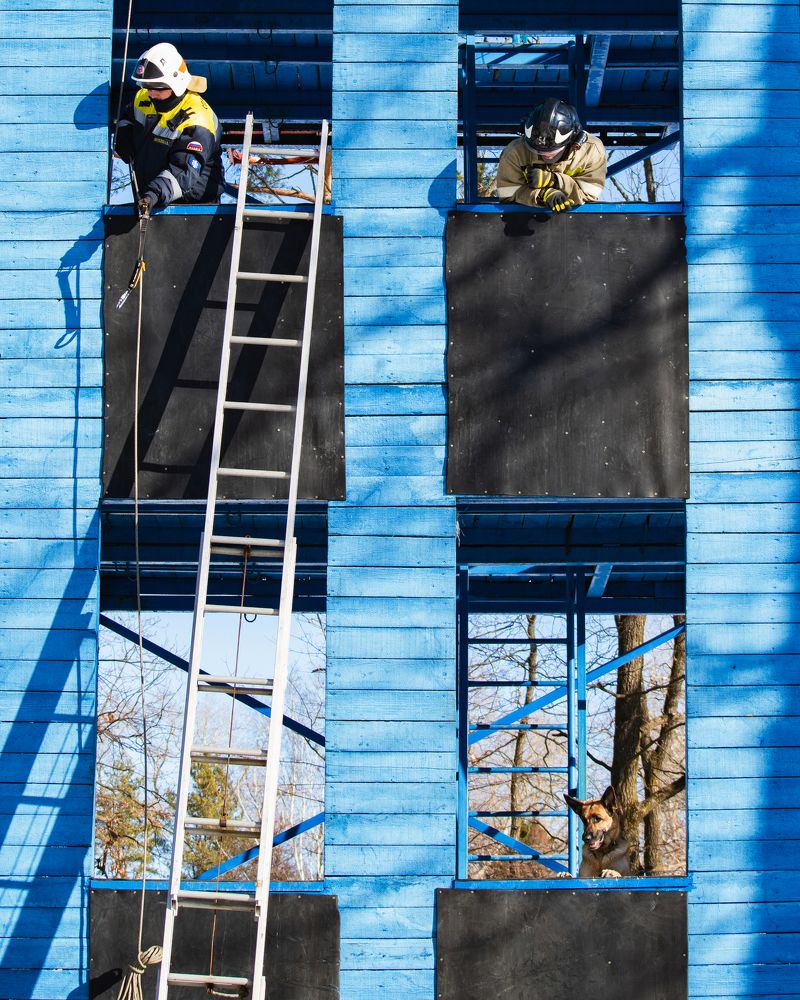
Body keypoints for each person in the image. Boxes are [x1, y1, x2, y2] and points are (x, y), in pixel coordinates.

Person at [115, 43, 225, 215]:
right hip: (152, 199)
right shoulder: (144, 97)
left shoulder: (197, 121)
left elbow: (183, 173)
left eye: (157, 88)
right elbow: (129, 115)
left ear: (176, 83)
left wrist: (152, 195)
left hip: (195, 210)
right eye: (146, 86)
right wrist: (123, 134)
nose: (151, 93)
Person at [496, 98, 607, 213]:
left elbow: (589, 194)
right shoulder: (514, 152)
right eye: (537, 151)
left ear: (572, 140)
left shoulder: (591, 150)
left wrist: (554, 180)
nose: (545, 156)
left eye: (552, 151)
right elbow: (508, 194)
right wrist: (543, 195)